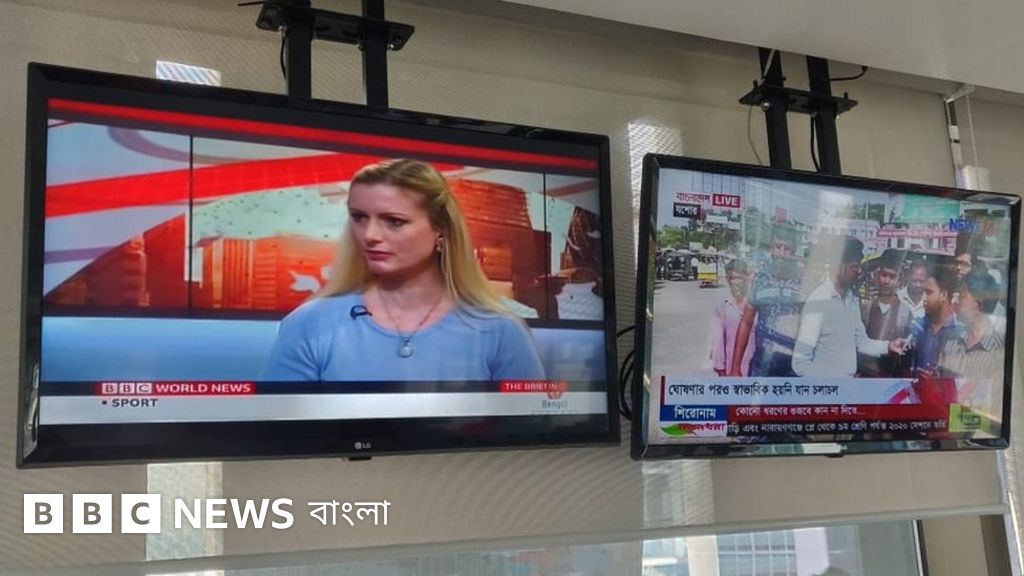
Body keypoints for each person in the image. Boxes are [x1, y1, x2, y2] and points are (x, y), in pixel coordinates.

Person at [262, 159, 546, 382]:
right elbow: (278, 430)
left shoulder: (500, 330)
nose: (370, 235)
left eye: (394, 221)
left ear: (440, 230)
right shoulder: (309, 324)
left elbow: (531, 432)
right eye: (359, 218)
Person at [791, 237, 904, 378]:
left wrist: (889, 346)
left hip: (848, 386)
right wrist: (827, 384)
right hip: (828, 388)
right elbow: (800, 363)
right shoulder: (818, 301)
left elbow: (861, 342)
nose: (859, 271)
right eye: (854, 267)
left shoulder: (852, 300)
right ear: (839, 267)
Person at [729, 223, 804, 377]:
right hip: (762, 368)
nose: (781, 253)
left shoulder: (804, 282)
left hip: (795, 370)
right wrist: (735, 368)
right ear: (771, 247)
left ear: (794, 251)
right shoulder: (760, 279)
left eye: (787, 249)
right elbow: (746, 322)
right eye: (777, 247)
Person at [937, 271, 1005, 416]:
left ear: (978, 303)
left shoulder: (1000, 351)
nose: (955, 302)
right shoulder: (950, 343)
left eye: (962, 296)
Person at [861, 249, 913, 376]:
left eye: (892, 277)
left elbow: (907, 354)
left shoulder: (905, 312)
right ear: (878, 276)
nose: (887, 281)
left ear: (899, 279)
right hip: (866, 376)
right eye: (884, 275)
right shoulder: (866, 308)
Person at [906, 261, 962, 378]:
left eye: (929, 293)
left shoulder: (961, 334)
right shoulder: (917, 327)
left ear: (943, 295)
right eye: (923, 292)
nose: (923, 298)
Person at [710, 259, 754, 376]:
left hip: (755, 368)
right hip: (731, 369)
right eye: (732, 278)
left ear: (746, 277)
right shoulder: (723, 304)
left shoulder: (755, 302)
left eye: (738, 278)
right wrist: (720, 367)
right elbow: (718, 339)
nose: (735, 282)